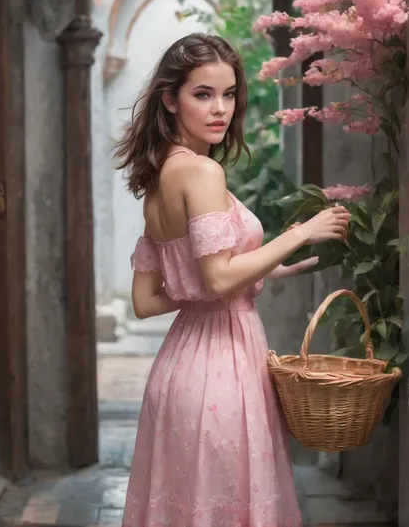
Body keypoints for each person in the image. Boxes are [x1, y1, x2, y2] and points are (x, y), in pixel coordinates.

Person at [114, 33, 350, 527]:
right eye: (202, 94)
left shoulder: (159, 177)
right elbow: (217, 280)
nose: (220, 108)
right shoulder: (201, 173)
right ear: (169, 99)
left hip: (180, 370)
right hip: (222, 371)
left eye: (228, 94)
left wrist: (268, 266)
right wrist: (301, 234)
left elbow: (150, 298)